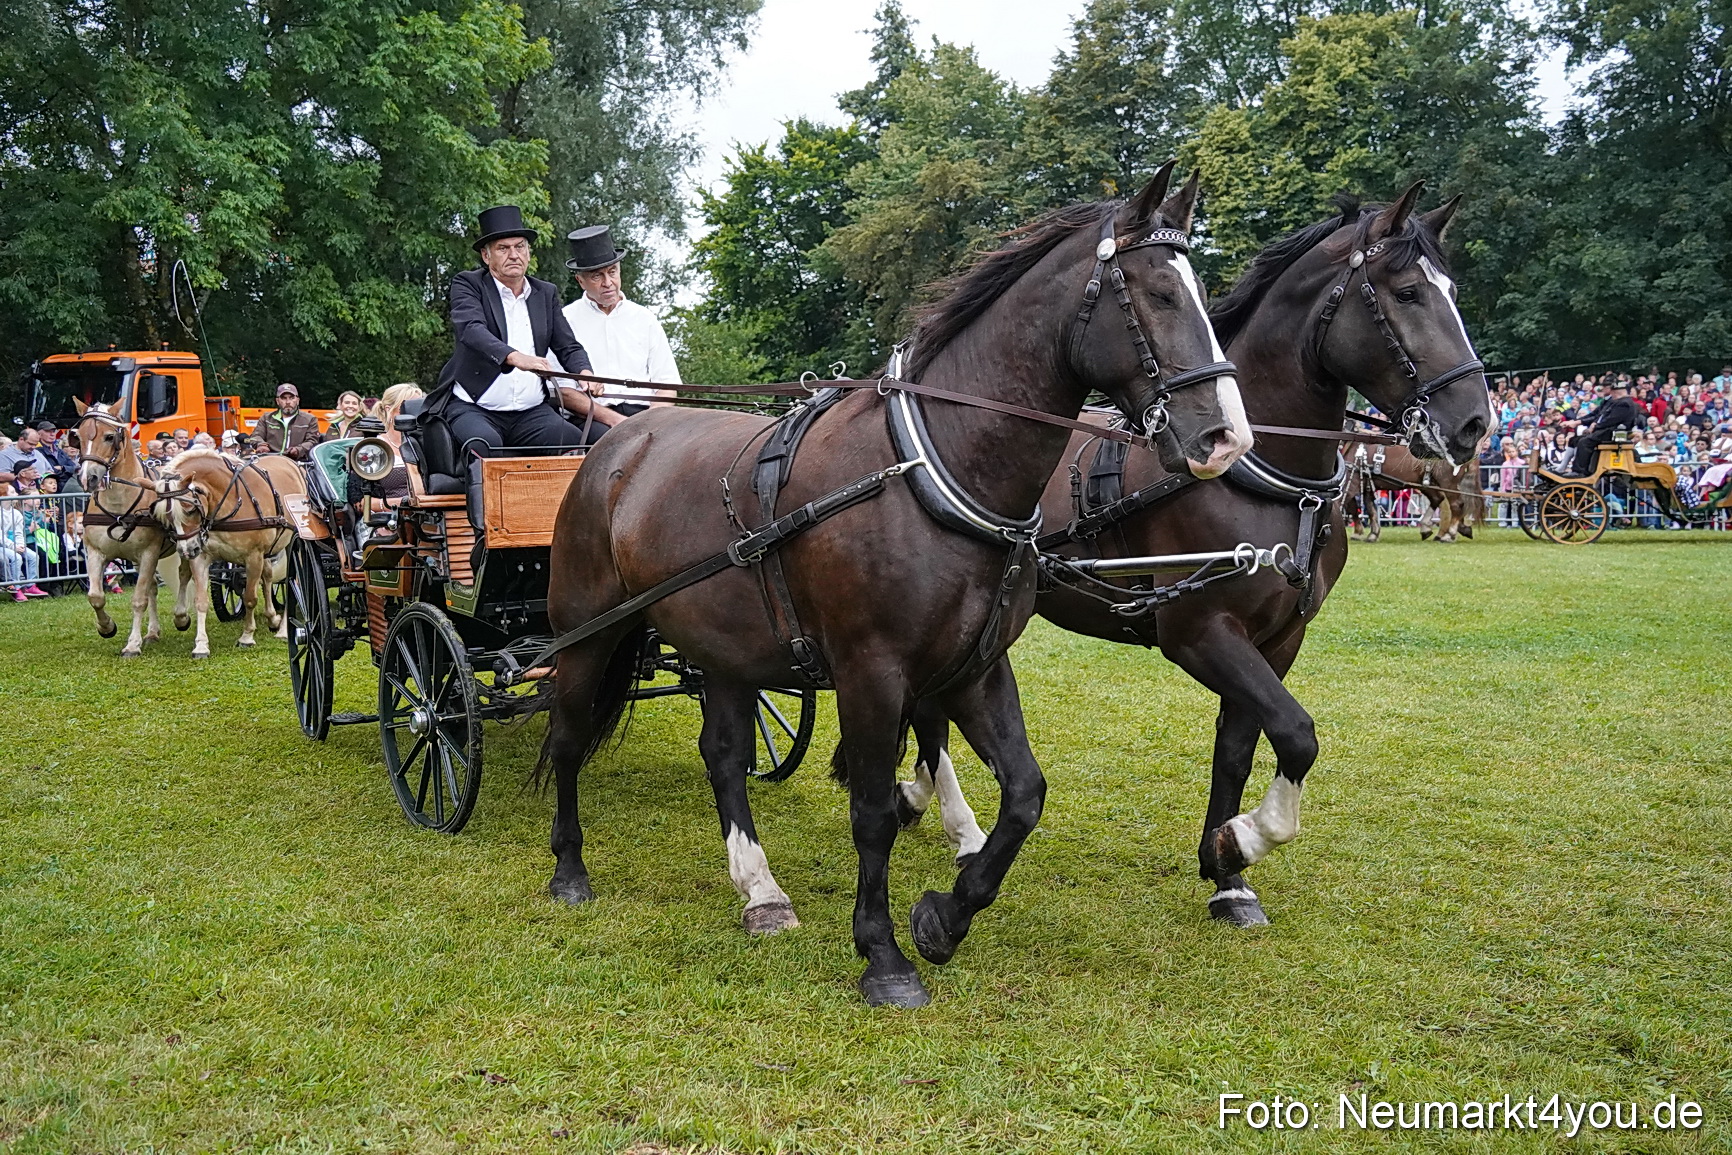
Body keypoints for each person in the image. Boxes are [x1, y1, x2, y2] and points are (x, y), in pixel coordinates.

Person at [425, 205, 612, 526]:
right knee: (484, 446)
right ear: (487, 256)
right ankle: (486, 538)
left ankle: (570, 529)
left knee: (576, 441)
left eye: (520, 246)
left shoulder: (545, 293)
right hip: (475, 406)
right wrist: (514, 357)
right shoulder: (468, 285)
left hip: (530, 411)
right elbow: (471, 330)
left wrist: (585, 372)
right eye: (503, 248)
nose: (514, 254)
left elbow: (567, 345)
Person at [559, 224, 681, 421]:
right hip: (591, 416)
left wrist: (650, 422)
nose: (608, 282)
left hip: (644, 415)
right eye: (597, 276)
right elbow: (563, 391)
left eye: (612, 272)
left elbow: (667, 385)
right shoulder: (565, 320)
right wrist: (615, 421)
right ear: (580, 281)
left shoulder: (645, 318)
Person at [1570, 381, 1646, 475]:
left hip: (1613, 433)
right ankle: (1579, 469)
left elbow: (1611, 420)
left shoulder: (1624, 404)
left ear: (1615, 392)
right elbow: (1600, 416)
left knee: (1584, 442)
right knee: (1577, 440)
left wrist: (1596, 426)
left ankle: (1580, 471)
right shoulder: (1617, 402)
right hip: (1608, 431)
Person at [0, 480, 48, 599]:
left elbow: (18, 532)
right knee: (16, 557)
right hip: (3, 545)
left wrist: (20, 545)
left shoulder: (16, 513)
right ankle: (16, 588)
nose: (16, 494)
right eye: (12, 492)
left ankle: (30, 586)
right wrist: (13, 547)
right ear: (3, 496)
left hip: (11, 544)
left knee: (33, 556)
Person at [253, 383, 322, 459]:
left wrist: (298, 450)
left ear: (298, 400)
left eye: (291, 398)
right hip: (269, 459)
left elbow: (312, 441)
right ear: (277, 401)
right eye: (284, 398)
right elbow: (255, 436)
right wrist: (261, 444)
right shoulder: (266, 418)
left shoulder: (309, 419)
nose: (288, 402)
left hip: (297, 462)